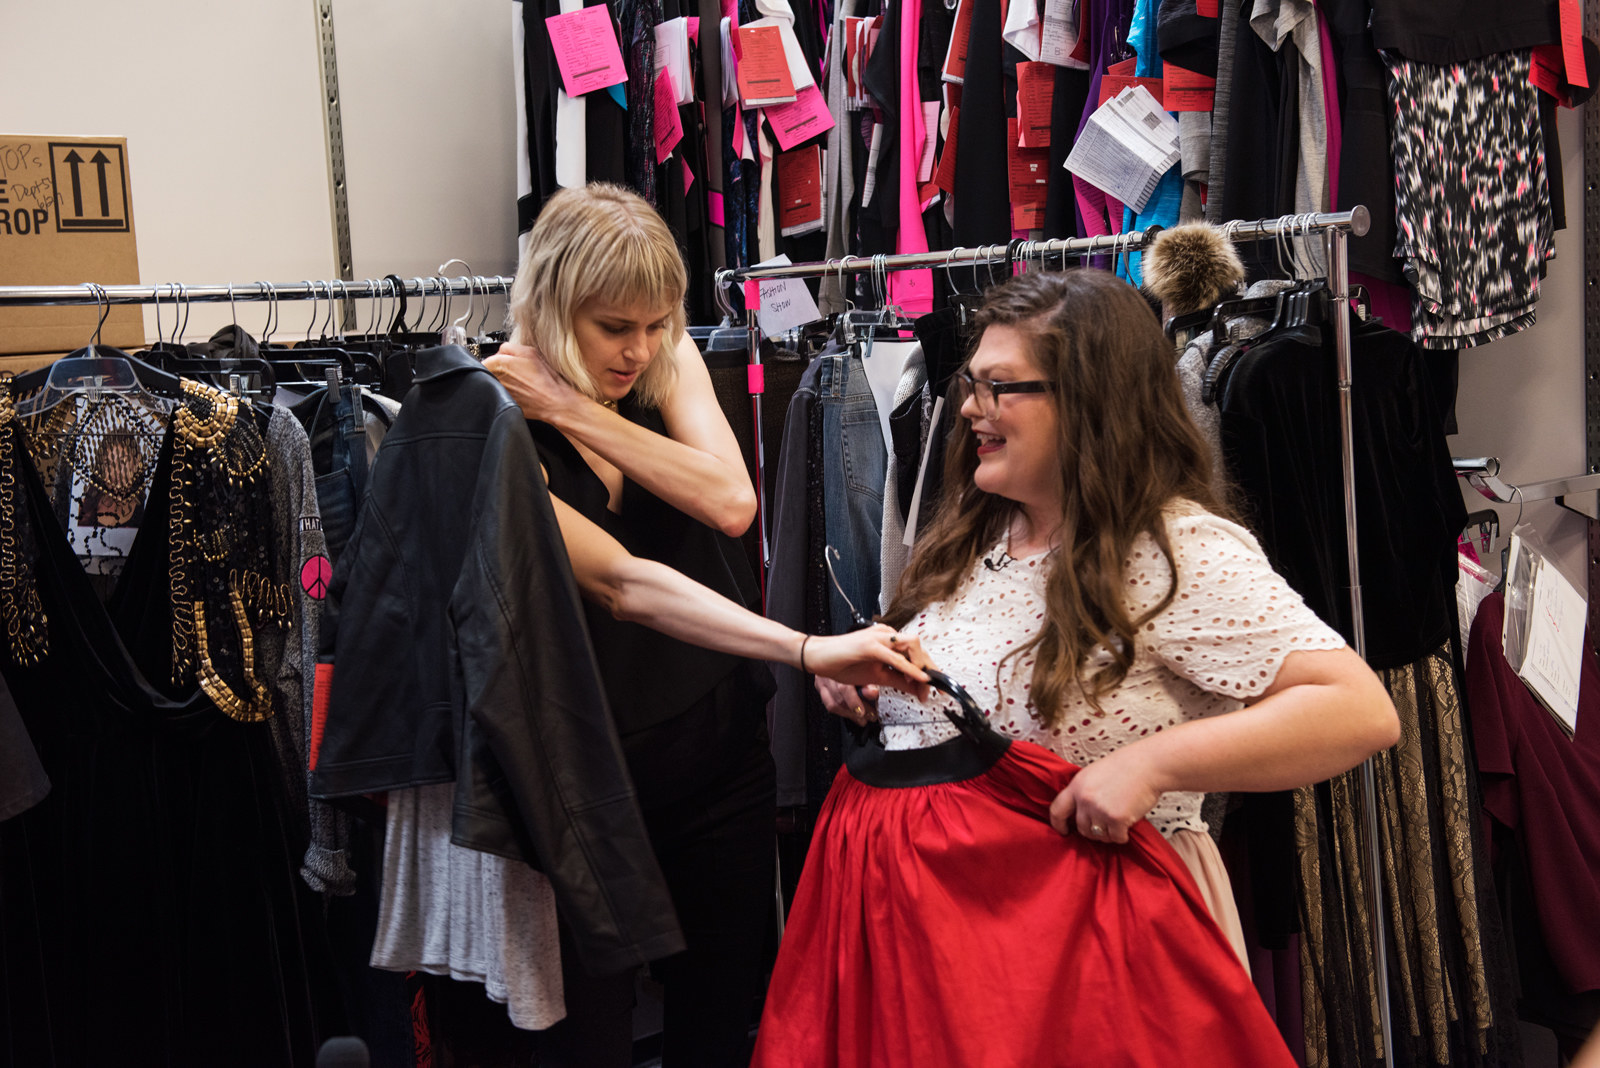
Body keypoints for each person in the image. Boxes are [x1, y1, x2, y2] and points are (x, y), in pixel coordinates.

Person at [756, 268, 1401, 1066]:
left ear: (1090, 398)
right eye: (970, 384)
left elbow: (1357, 709)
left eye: (999, 388)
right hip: (969, 956)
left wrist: (1153, 764)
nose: (968, 410)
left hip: (1101, 952)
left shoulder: (1174, 550)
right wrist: (882, 691)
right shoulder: (981, 539)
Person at [485, 181, 842, 1067]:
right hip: (592, 773)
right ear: (554, 302)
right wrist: (803, 647)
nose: (638, 348)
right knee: (590, 1034)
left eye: (654, 323)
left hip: (718, 747)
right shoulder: (490, 420)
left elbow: (729, 502)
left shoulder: (658, 358)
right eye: (615, 327)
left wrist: (571, 407)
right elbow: (623, 587)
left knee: (723, 1010)